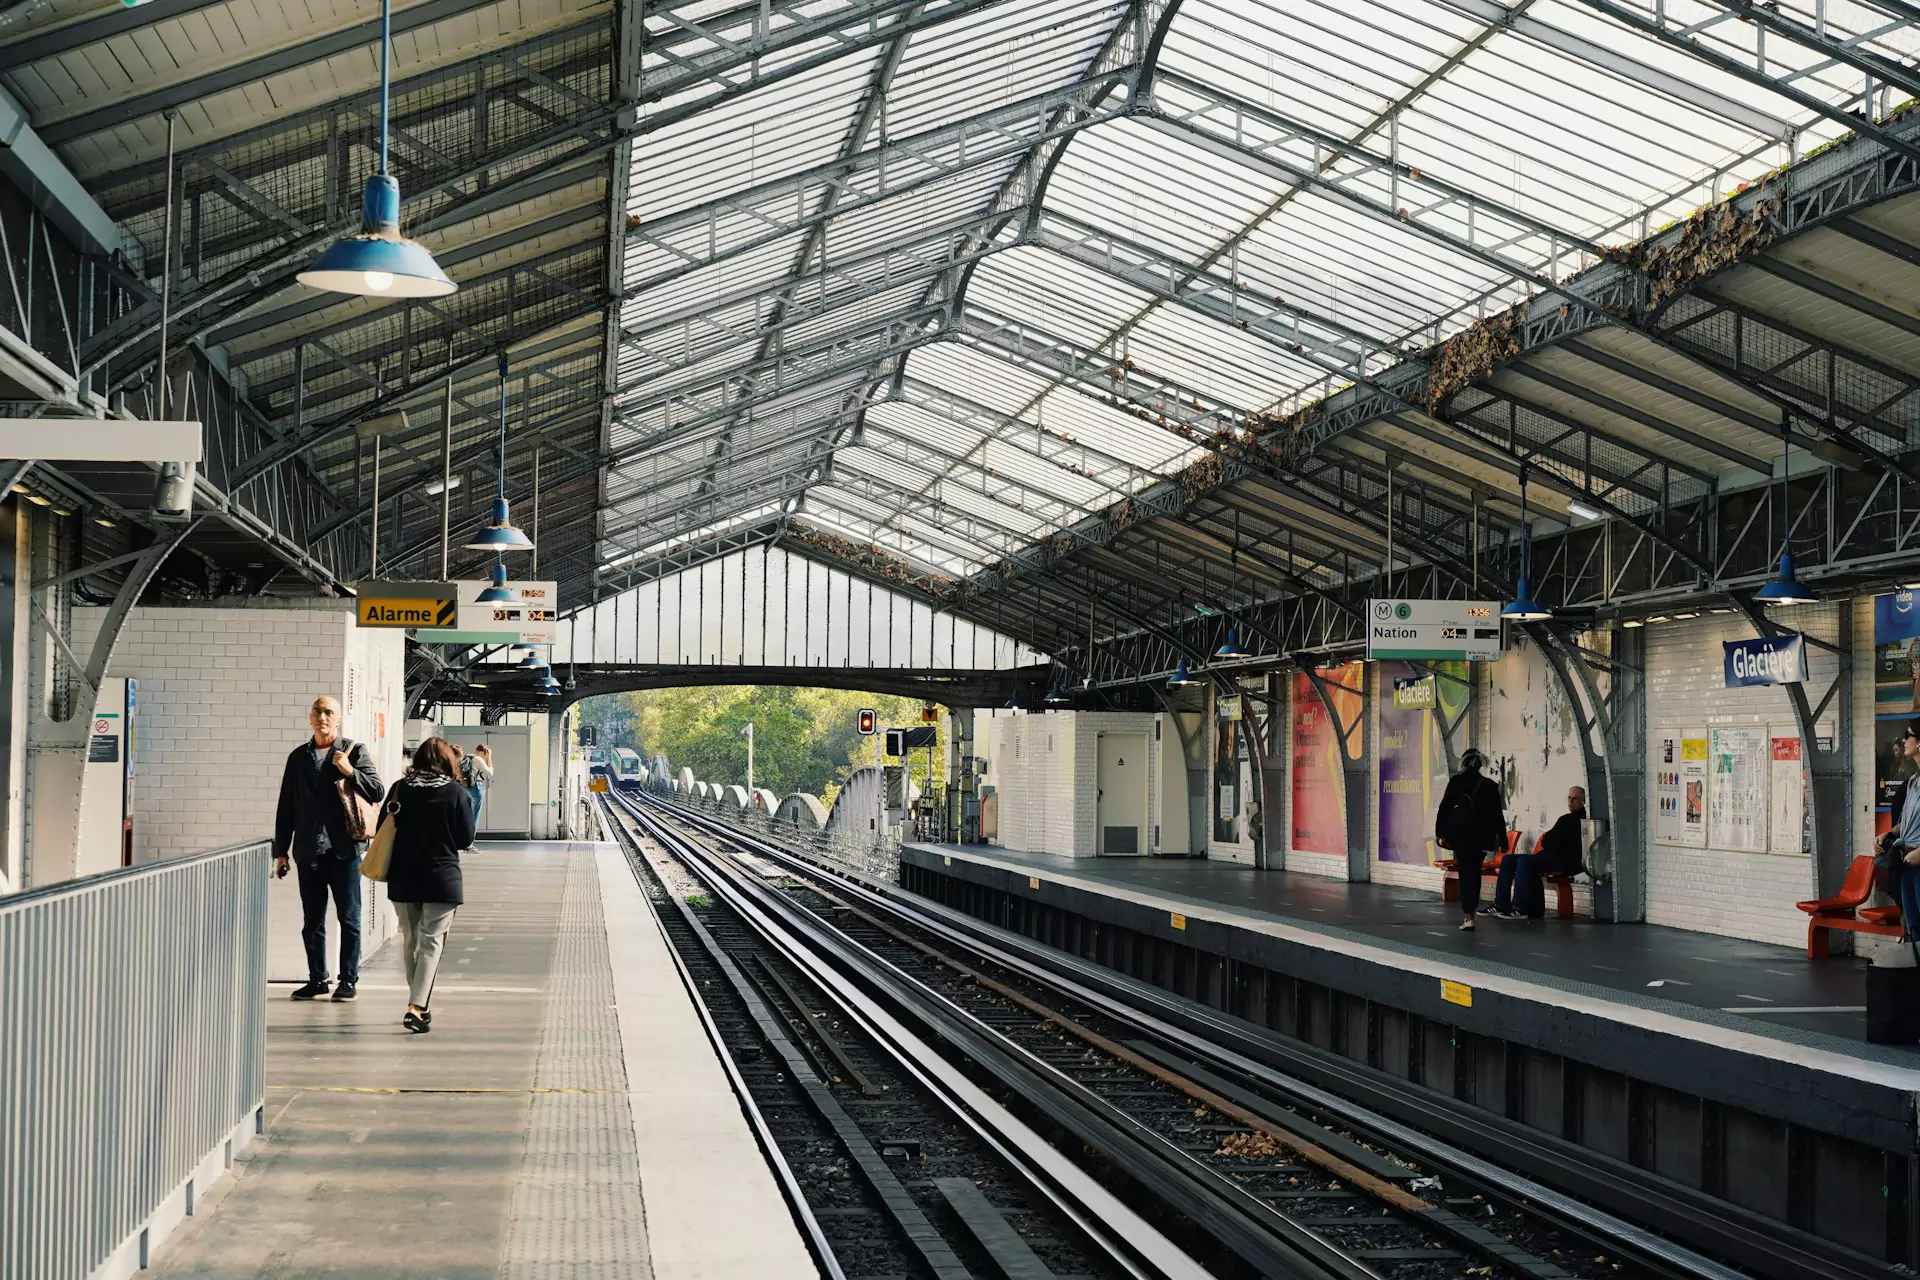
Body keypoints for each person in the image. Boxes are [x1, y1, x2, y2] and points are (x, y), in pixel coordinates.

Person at [273, 696, 384, 1001]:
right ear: (311, 718)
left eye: (329, 712)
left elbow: (377, 790)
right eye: (318, 712)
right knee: (312, 921)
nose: (322, 717)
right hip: (308, 850)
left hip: (344, 849)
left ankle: (348, 980)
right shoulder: (297, 758)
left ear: (338, 720)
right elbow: (286, 806)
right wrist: (280, 851)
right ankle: (318, 978)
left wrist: (350, 771)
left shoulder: (354, 751)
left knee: (349, 918)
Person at [380, 737, 476, 1034]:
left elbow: (384, 826)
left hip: (403, 877)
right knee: (431, 942)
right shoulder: (456, 794)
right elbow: (465, 839)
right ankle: (416, 1006)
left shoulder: (400, 789)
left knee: (411, 940)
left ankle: (418, 1004)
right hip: (441, 878)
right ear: (449, 761)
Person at [1434, 748, 1506, 932]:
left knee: (1465, 874)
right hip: (1482, 838)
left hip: (1461, 836)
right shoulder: (1489, 786)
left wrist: (1440, 833)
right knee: (1474, 873)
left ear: (1463, 763)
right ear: (1481, 764)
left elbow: (1445, 809)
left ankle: (1468, 916)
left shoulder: (1457, 782)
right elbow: (1497, 815)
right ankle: (1471, 912)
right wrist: (1503, 840)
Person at [1493, 787, 1586, 919]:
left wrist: (1553, 840)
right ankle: (1500, 904)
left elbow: (1551, 840)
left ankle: (1521, 907)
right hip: (1551, 856)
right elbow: (1547, 840)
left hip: (1563, 861)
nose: (1570, 801)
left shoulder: (1581, 821)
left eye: (1574, 798)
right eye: (1569, 798)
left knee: (1524, 861)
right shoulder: (1565, 819)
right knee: (1508, 859)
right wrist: (1554, 840)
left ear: (1583, 800)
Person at [1877, 720, 1920, 936]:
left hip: (1918, 859)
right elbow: (1909, 820)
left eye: (1908, 735)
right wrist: (1891, 832)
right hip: (1907, 862)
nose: (1904, 741)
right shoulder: (1913, 781)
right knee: (1913, 927)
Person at [460, 742, 493, 829]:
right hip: (476, 787)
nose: (484, 757)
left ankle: (465, 837)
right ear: (482, 752)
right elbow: (490, 773)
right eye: (485, 755)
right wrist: (489, 758)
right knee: (475, 815)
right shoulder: (478, 759)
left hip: (465, 787)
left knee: (467, 813)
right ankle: (471, 839)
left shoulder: (466, 757)